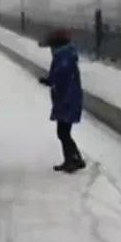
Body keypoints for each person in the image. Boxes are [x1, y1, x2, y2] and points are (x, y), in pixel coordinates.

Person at [38, 28, 85, 172]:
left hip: (68, 99)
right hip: (66, 97)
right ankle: (73, 159)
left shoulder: (63, 57)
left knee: (63, 132)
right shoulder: (65, 55)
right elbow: (59, 75)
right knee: (64, 132)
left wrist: (50, 81)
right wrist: (50, 81)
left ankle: (73, 160)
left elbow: (61, 75)